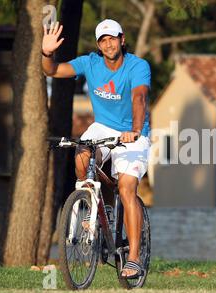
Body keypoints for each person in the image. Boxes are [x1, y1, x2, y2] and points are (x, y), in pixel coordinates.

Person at [42, 19, 151, 278]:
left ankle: (133, 258)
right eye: (103, 40)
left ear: (122, 39)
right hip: (102, 126)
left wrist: (134, 130)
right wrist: (46, 53)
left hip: (133, 132)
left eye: (112, 38)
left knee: (126, 187)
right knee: (82, 157)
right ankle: (96, 202)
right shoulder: (90, 63)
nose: (108, 43)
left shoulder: (137, 65)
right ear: (99, 45)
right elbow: (53, 70)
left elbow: (139, 97)